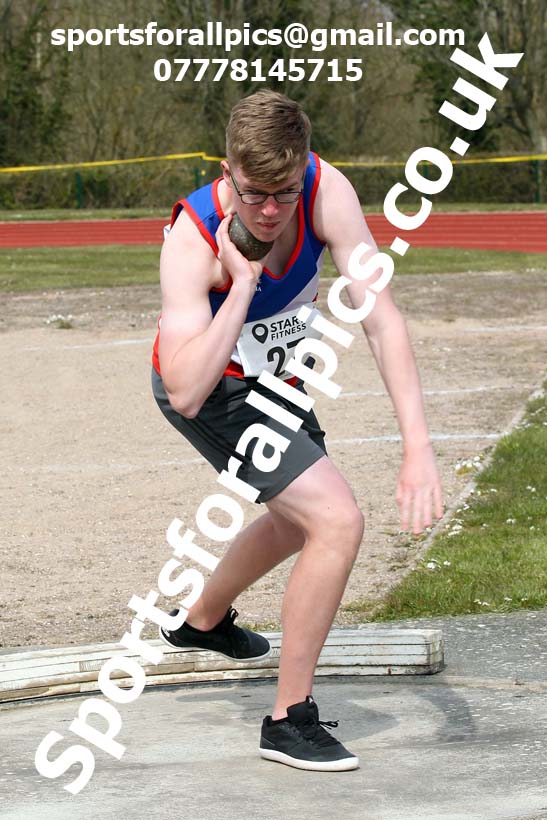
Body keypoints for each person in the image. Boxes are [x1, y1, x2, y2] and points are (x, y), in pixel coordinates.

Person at [151, 90, 444, 772]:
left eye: (284, 191)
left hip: (272, 383)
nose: (271, 210)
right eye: (254, 193)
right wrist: (245, 281)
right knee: (336, 521)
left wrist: (417, 447)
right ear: (227, 173)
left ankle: (201, 623)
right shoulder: (191, 238)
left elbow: (381, 318)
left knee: (293, 521)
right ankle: (288, 721)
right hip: (213, 388)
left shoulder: (325, 191)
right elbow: (186, 389)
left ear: (304, 168)